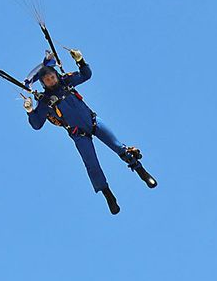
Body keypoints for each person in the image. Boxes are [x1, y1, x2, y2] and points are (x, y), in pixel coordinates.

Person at [23, 48, 156, 214]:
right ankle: (108, 195)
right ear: (43, 83)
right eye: (47, 80)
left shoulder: (66, 82)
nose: (51, 80)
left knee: (117, 146)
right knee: (92, 165)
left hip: (94, 122)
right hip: (79, 135)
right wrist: (29, 111)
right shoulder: (44, 102)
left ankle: (141, 171)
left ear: (56, 75)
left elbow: (86, 74)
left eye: (52, 76)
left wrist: (80, 60)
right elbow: (36, 124)